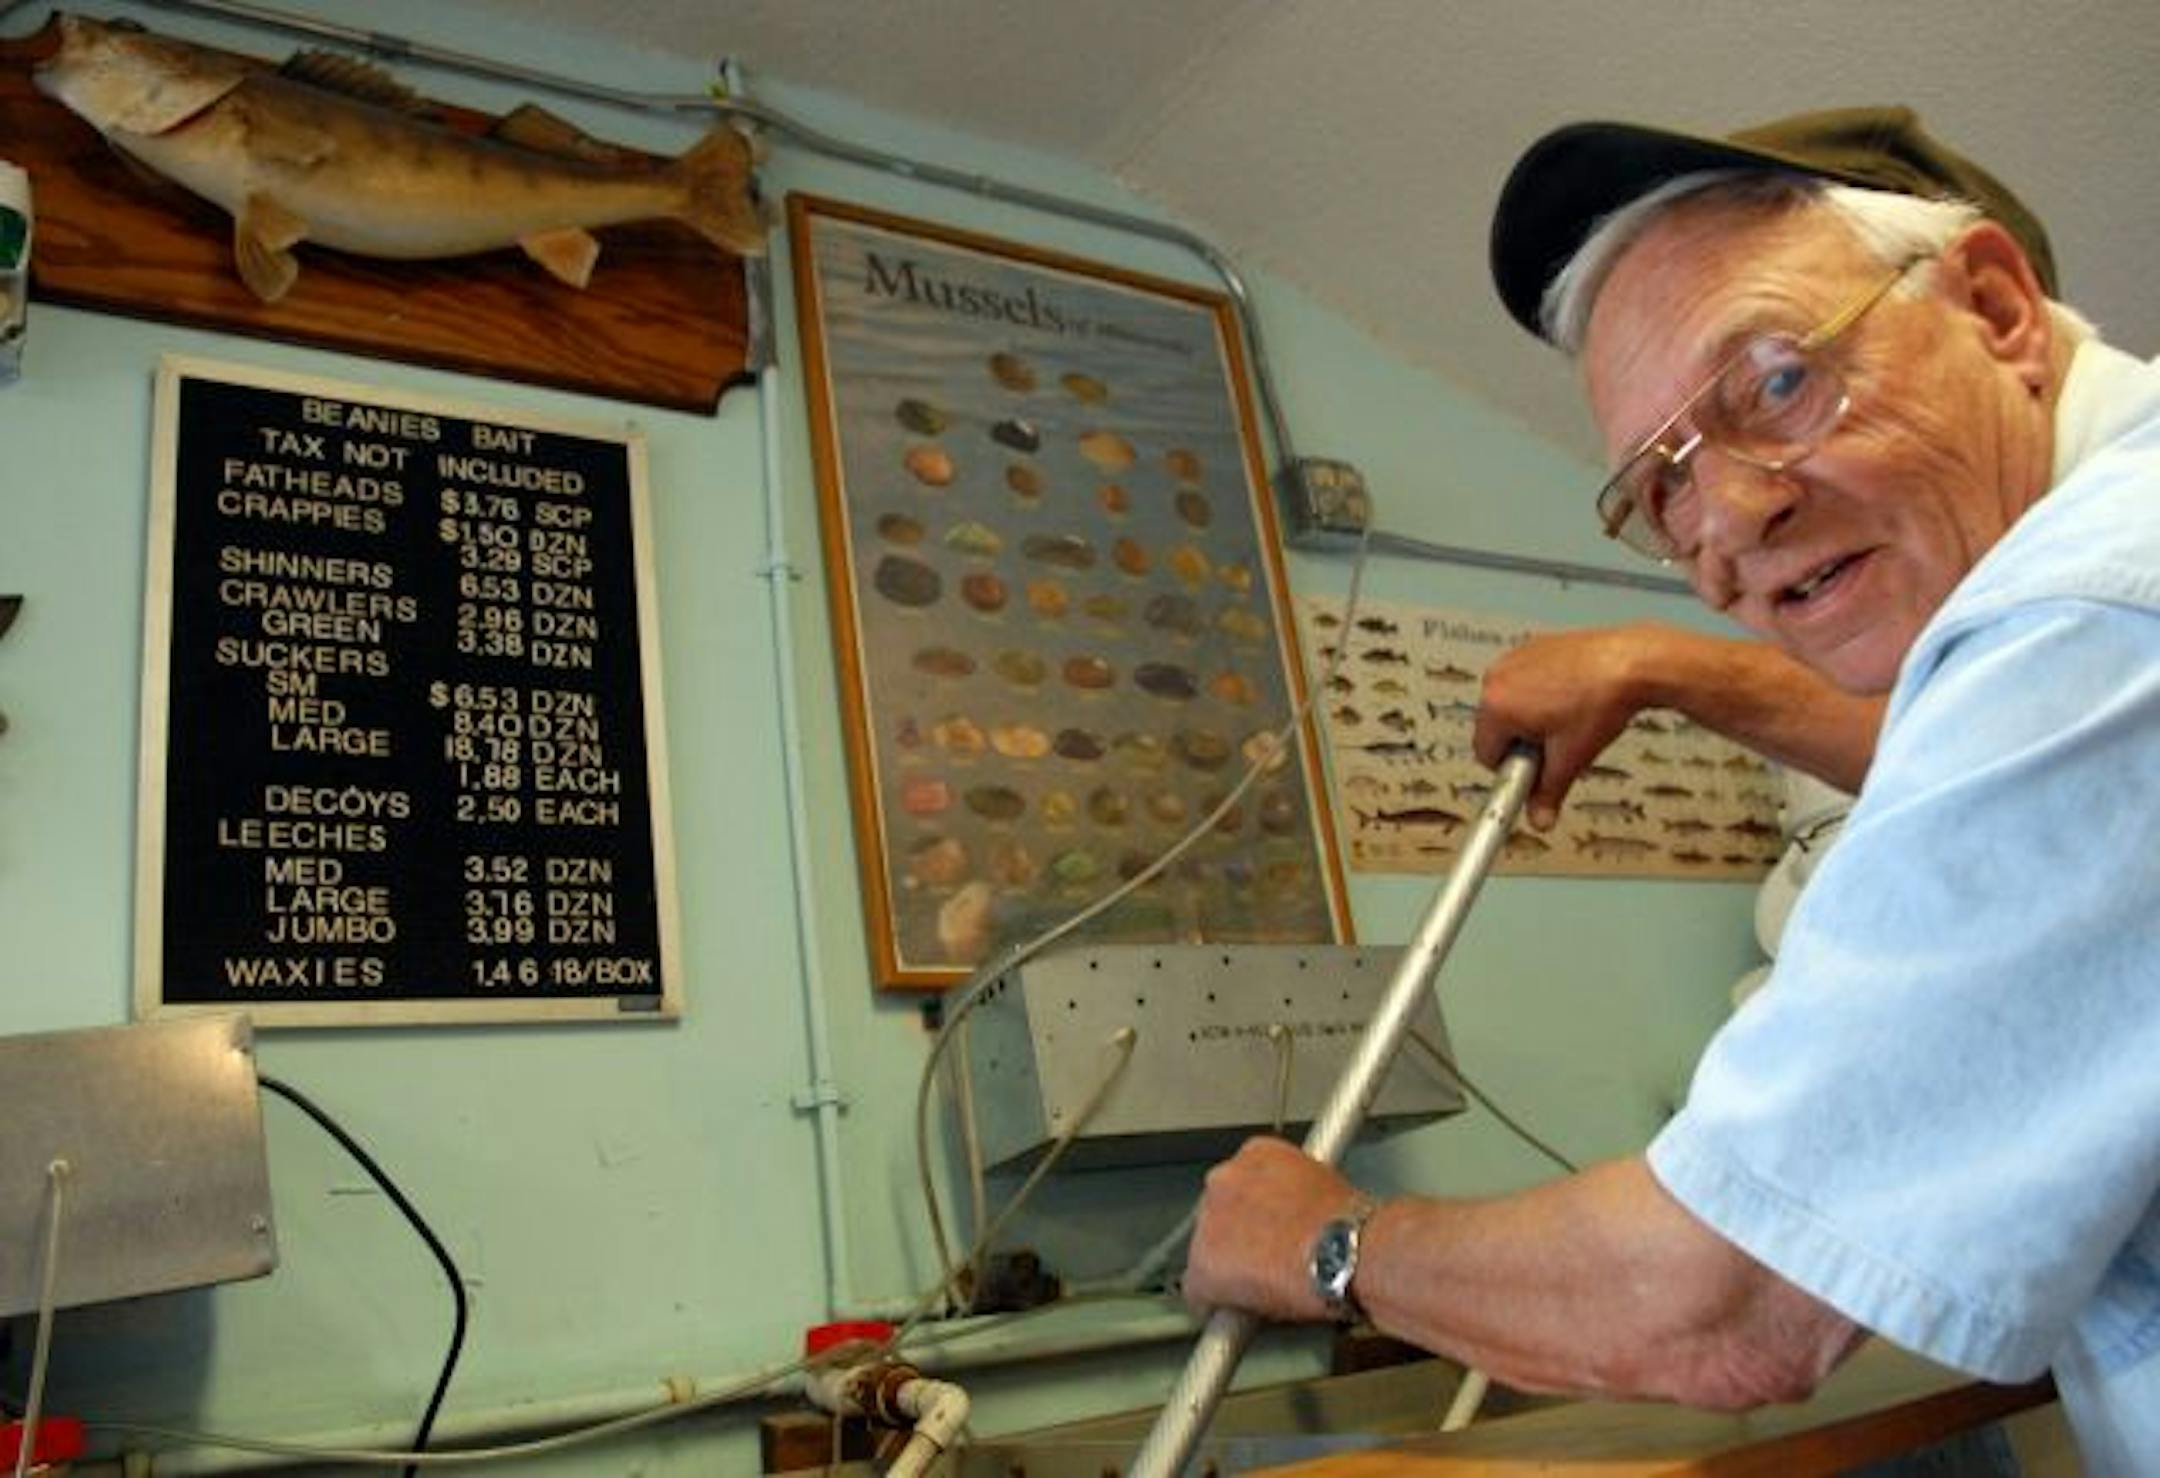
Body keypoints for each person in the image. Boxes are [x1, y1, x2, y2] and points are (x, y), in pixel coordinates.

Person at [1182, 106, 2159, 1474]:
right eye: (1659, 487)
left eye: (1774, 381)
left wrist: (1326, 1242)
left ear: (1994, 306)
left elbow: (1728, 1299)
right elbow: (2020, 815)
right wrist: (1665, 666)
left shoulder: (2094, 619)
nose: (1724, 530)